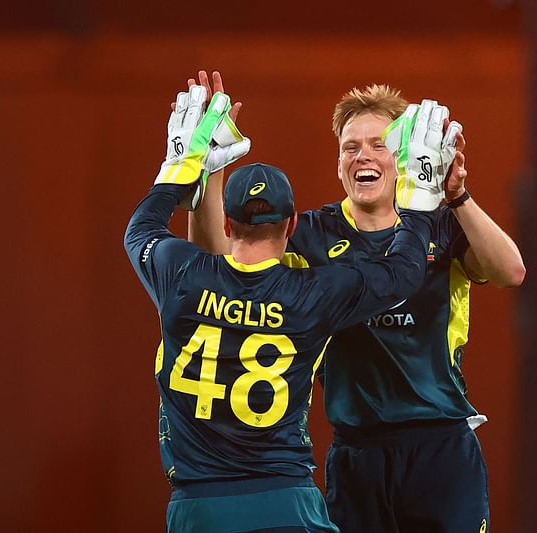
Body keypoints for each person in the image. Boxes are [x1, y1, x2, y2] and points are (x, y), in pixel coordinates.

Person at [189, 73, 526, 532]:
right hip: (356, 453)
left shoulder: (442, 225)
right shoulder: (309, 234)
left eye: (378, 145)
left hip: (441, 447)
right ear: (338, 162)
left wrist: (457, 195)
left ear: (403, 159)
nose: (362, 155)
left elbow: (511, 272)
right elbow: (216, 264)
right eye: (350, 147)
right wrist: (207, 172)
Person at [125, 83, 451, 533]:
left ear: (226, 221)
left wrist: (181, 167)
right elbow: (402, 273)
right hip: (286, 499)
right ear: (292, 224)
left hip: (197, 505)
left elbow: (140, 229)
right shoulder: (313, 293)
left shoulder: (180, 272)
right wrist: (420, 200)